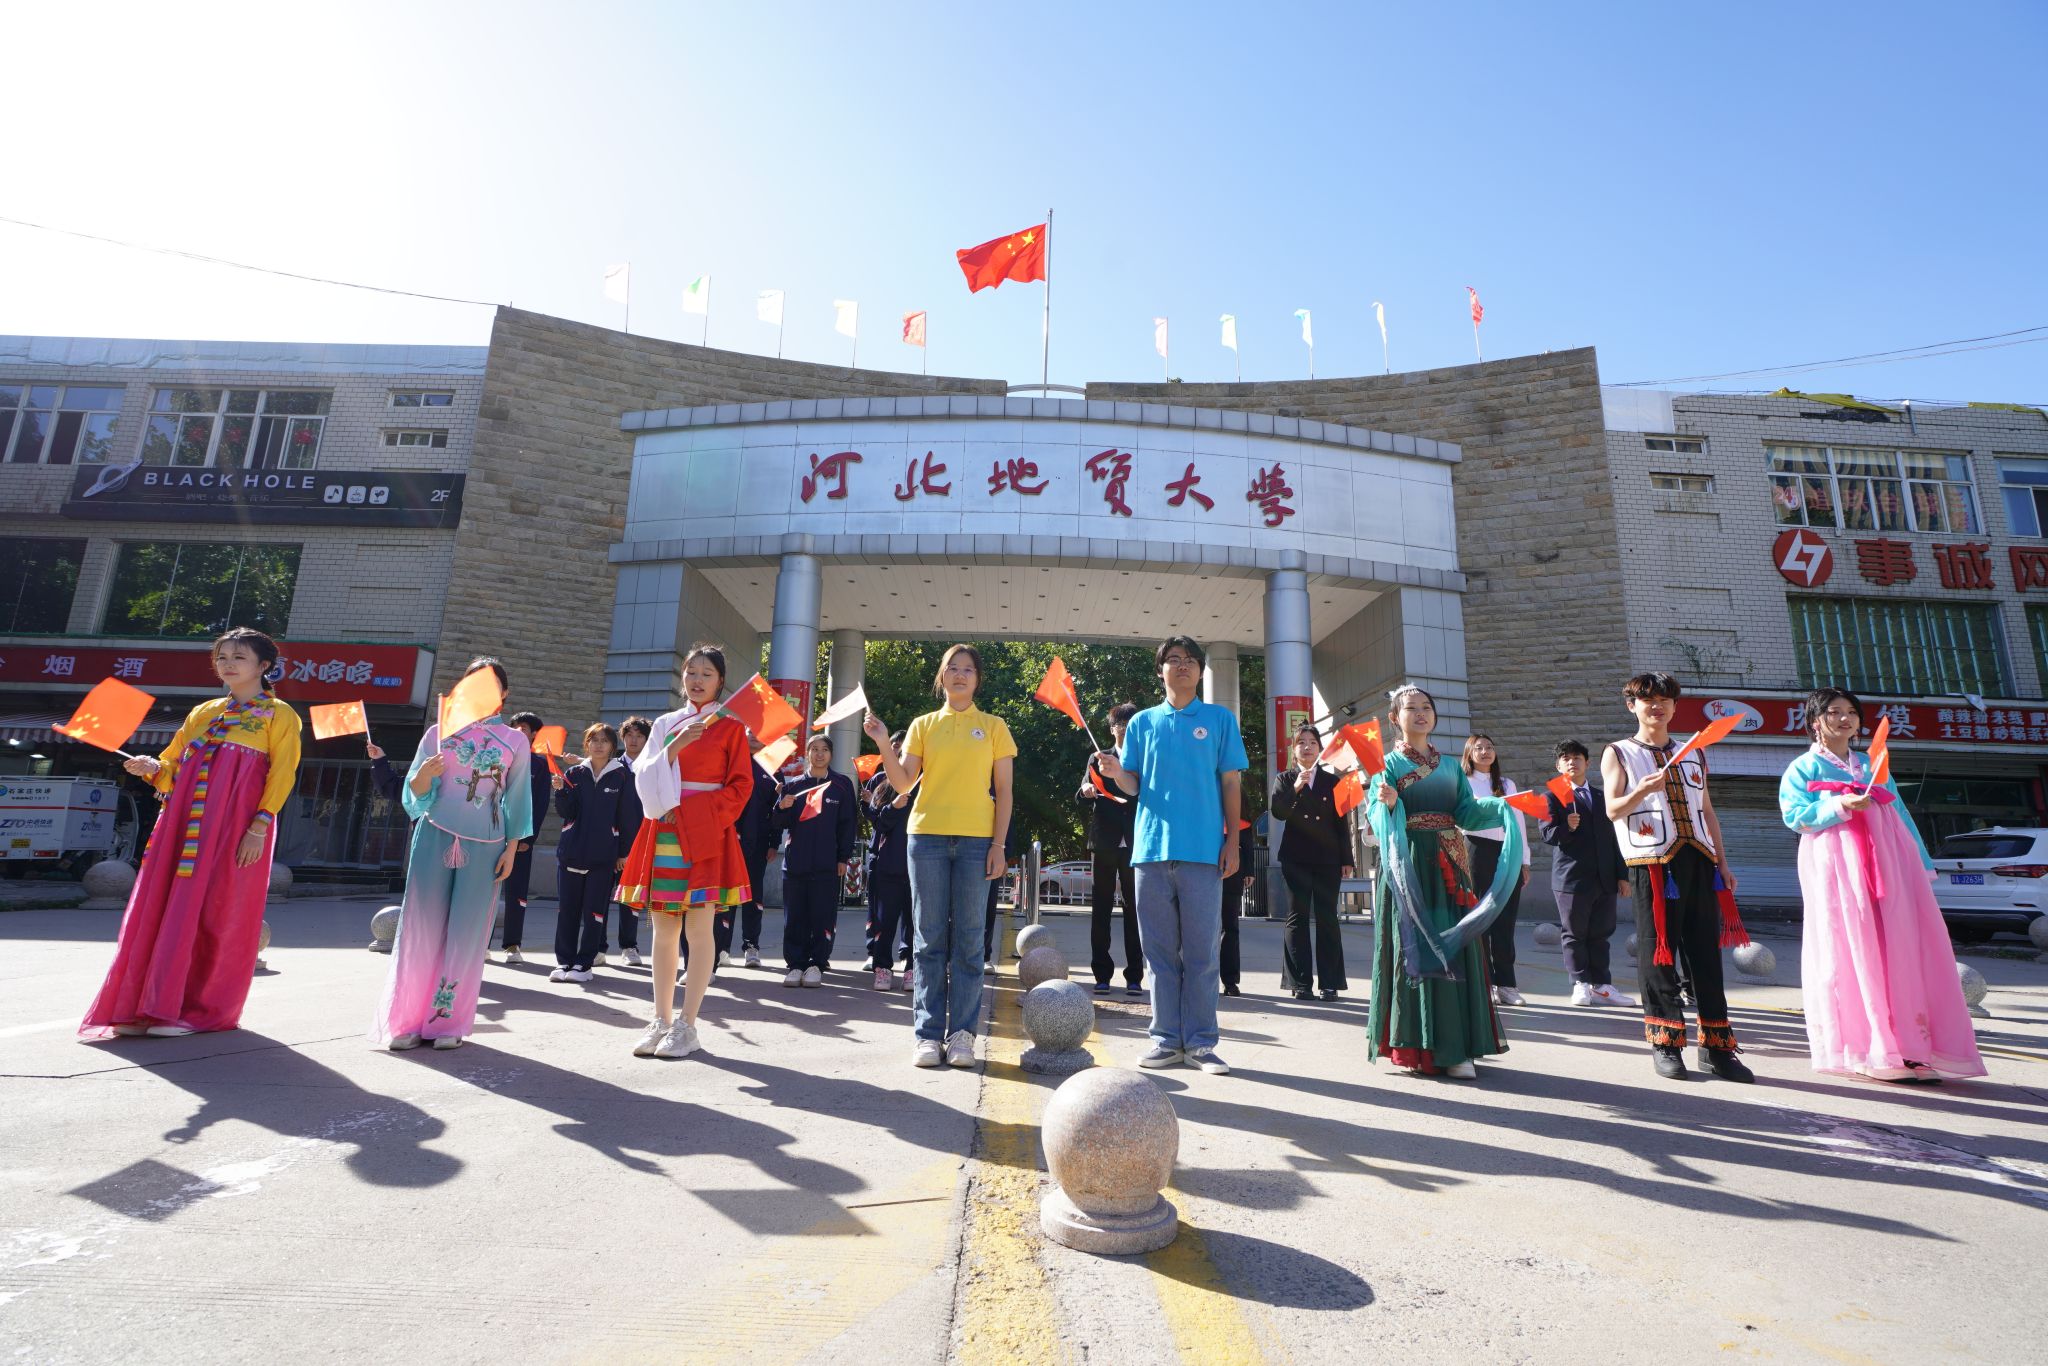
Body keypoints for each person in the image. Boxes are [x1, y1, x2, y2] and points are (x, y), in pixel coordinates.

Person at [81, 627, 303, 1041]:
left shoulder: (280, 714)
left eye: (239, 657)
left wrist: (259, 827)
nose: (228, 664)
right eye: (222, 657)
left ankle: (198, 1010)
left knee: (218, 910)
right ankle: (146, 1005)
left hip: (235, 826)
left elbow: (282, 774)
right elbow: (172, 768)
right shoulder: (203, 712)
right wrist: (152, 768)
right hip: (183, 826)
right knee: (166, 907)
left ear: (264, 666)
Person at [1780, 688, 1985, 1083]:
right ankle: (1868, 1049)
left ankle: (1911, 1048)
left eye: (1851, 712)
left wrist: (1919, 865)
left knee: (1899, 949)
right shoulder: (1803, 768)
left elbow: (1900, 815)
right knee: (1853, 947)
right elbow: (1794, 815)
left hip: (1888, 862)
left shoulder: (1873, 764)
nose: (1844, 718)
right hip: (1837, 863)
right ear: (1815, 721)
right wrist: (1839, 805)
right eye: (1833, 712)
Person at [1094, 637, 1246, 1075]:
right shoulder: (1142, 723)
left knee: (1201, 954)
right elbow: (1133, 785)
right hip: (1150, 852)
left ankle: (1201, 1043)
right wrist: (1116, 772)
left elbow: (1231, 783)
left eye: (1190, 660)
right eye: (1173, 660)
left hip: (1203, 853)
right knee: (1159, 955)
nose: (1182, 666)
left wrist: (1232, 842)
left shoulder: (1220, 719)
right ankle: (1164, 1040)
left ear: (1200, 670)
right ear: (1160, 670)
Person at [864, 643, 1016, 1069]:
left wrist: (999, 845)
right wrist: (883, 742)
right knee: (928, 939)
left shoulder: (994, 726)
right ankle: (928, 1035)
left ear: (977, 679)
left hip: (977, 843)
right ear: (942, 676)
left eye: (968, 669)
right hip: (925, 839)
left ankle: (963, 1035)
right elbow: (903, 783)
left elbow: (1005, 792)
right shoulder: (923, 725)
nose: (960, 675)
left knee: (969, 941)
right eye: (953, 668)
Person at [1363, 684, 1524, 1081]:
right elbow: (1378, 820)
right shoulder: (1386, 766)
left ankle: (1457, 1048)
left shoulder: (1451, 767)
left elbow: (1466, 813)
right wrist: (1388, 804)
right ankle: (1416, 1046)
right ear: (1394, 718)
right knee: (1414, 946)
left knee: (1456, 946)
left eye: (1426, 707)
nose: (1420, 713)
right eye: (1411, 708)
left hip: (1451, 864)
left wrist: (1500, 807)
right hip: (1408, 863)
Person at [373, 657, 532, 1051]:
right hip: (435, 835)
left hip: (488, 844)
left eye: (491, 684)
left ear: (505, 693)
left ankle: (448, 1021)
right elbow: (414, 795)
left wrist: (512, 849)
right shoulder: (438, 732)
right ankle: (408, 1019)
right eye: (473, 681)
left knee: (467, 933)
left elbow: (517, 799)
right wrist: (423, 776)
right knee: (421, 927)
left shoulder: (515, 741)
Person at [1603, 671, 1753, 1083]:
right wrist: (1640, 791)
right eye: (1647, 699)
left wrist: (1723, 863)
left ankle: (1717, 1047)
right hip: (1652, 863)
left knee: (1705, 954)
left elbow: (1707, 811)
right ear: (1632, 705)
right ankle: (1666, 1042)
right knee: (1659, 953)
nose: (1657, 706)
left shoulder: (1693, 751)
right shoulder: (1618, 752)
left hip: (1700, 860)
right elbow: (1612, 810)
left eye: (1665, 699)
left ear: (1673, 706)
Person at [618, 644, 753, 1059]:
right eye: (691, 672)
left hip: (706, 832)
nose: (697, 680)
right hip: (664, 829)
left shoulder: (731, 728)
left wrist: (698, 812)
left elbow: (741, 787)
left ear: (720, 681)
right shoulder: (665, 724)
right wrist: (674, 747)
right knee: (663, 931)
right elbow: (643, 776)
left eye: (707, 674)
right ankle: (660, 1019)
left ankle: (687, 1024)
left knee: (698, 929)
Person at [1539, 740, 1633, 1007]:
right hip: (1572, 879)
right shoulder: (1551, 797)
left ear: (1588, 763)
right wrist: (1567, 827)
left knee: (1601, 934)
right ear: (1558, 766)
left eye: (1577, 757)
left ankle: (1602, 985)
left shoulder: (1602, 797)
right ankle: (1580, 983)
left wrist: (1622, 875)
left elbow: (1614, 839)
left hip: (1604, 878)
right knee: (1574, 933)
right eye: (1566, 759)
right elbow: (1547, 835)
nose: (1572, 762)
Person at [549, 723, 642, 985]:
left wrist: (624, 853)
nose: (599, 745)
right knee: (567, 911)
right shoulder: (574, 773)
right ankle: (564, 961)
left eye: (604, 740)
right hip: (571, 852)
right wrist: (561, 790)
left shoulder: (622, 776)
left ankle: (584, 963)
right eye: (594, 740)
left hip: (603, 856)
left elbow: (628, 818)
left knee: (594, 913)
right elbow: (567, 813)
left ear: (613, 746)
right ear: (586, 744)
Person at [1271, 723, 1351, 1002]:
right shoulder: (1285, 779)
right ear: (1293, 750)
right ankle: (1300, 983)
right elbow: (1278, 813)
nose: (1307, 747)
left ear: (1320, 748)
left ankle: (1330, 983)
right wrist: (1296, 788)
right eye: (1301, 743)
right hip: (1296, 858)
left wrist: (1347, 858)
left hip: (1328, 859)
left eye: (1312, 742)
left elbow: (1341, 822)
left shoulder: (1333, 781)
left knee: (1328, 918)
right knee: (1298, 917)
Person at [773, 735, 857, 987]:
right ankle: (795, 965)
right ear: (807, 753)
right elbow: (778, 823)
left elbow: (848, 825)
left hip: (826, 864)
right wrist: (781, 806)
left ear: (831, 754)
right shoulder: (793, 786)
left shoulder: (841, 785)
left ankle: (816, 964)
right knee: (794, 917)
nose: (819, 754)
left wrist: (843, 858)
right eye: (814, 749)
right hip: (795, 863)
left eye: (824, 750)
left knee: (823, 916)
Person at [1461, 734, 1532, 1008]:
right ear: (1469, 753)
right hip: (1477, 850)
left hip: (1508, 850)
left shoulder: (1506, 784)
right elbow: (1461, 818)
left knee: (1506, 919)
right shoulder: (1463, 782)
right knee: (1481, 916)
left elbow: (1519, 821)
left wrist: (1524, 860)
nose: (1485, 751)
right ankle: (1485, 982)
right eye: (1478, 748)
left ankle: (1507, 985)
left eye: (1489, 747)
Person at [1077, 703, 1143, 997]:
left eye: (1131, 725)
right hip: (1104, 841)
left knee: (1134, 911)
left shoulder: (1143, 757)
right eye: (1121, 725)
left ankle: (1134, 976)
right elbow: (1081, 791)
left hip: (1135, 842)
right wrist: (1086, 790)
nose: (1125, 730)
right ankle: (1101, 975)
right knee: (1101, 909)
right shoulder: (1098, 757)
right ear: (1112, 728)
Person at [494, 710, 553, 965]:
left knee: (516, 892)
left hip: (520, 840)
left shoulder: (538, 765)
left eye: (524, 728)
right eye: (515, 726)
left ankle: (512, 945)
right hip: (491, 834)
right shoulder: (498, 756)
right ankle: (480, 943)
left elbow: (539, 804)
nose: (519, 731)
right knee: (485, 891)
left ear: (533, 734)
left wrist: (527, 838)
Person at [862, 755, 914, 991]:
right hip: (888, 867)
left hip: (918, 868)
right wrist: (894, 807)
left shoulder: (925, 788)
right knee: (884, 922)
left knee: (914, 923)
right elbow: (878, 824)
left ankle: (911, 968)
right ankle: (882, 968)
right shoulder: (883, 788)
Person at [605, 715, 652, 967]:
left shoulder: (652, 767)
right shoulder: (612, 767)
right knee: (600, 896)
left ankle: (629, 946)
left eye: (639, 736)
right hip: (609, 843)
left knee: (631, 897)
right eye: (629, 735)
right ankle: (598, 947)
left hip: (639, 843)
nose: (633, 740)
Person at [730, 737, 777, 968]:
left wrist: (774, 843)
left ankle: (751, 946)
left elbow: (777, 810)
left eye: (759, 733)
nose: (753, 737)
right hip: (730, 840)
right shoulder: (731, 761)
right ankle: (721, 947)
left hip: (758, 843)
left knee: (753, 895)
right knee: (726, 894)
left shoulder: (772, 767)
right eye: (749, 732)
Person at [1219, 815, 1256, 997]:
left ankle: (1230, 981)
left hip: (1232, 869)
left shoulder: (1236, 800)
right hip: (1203, 864)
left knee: (1230, 928)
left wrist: (1249, 870)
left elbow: (1246, 835)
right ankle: (1199, 979)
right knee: (1200, 928)